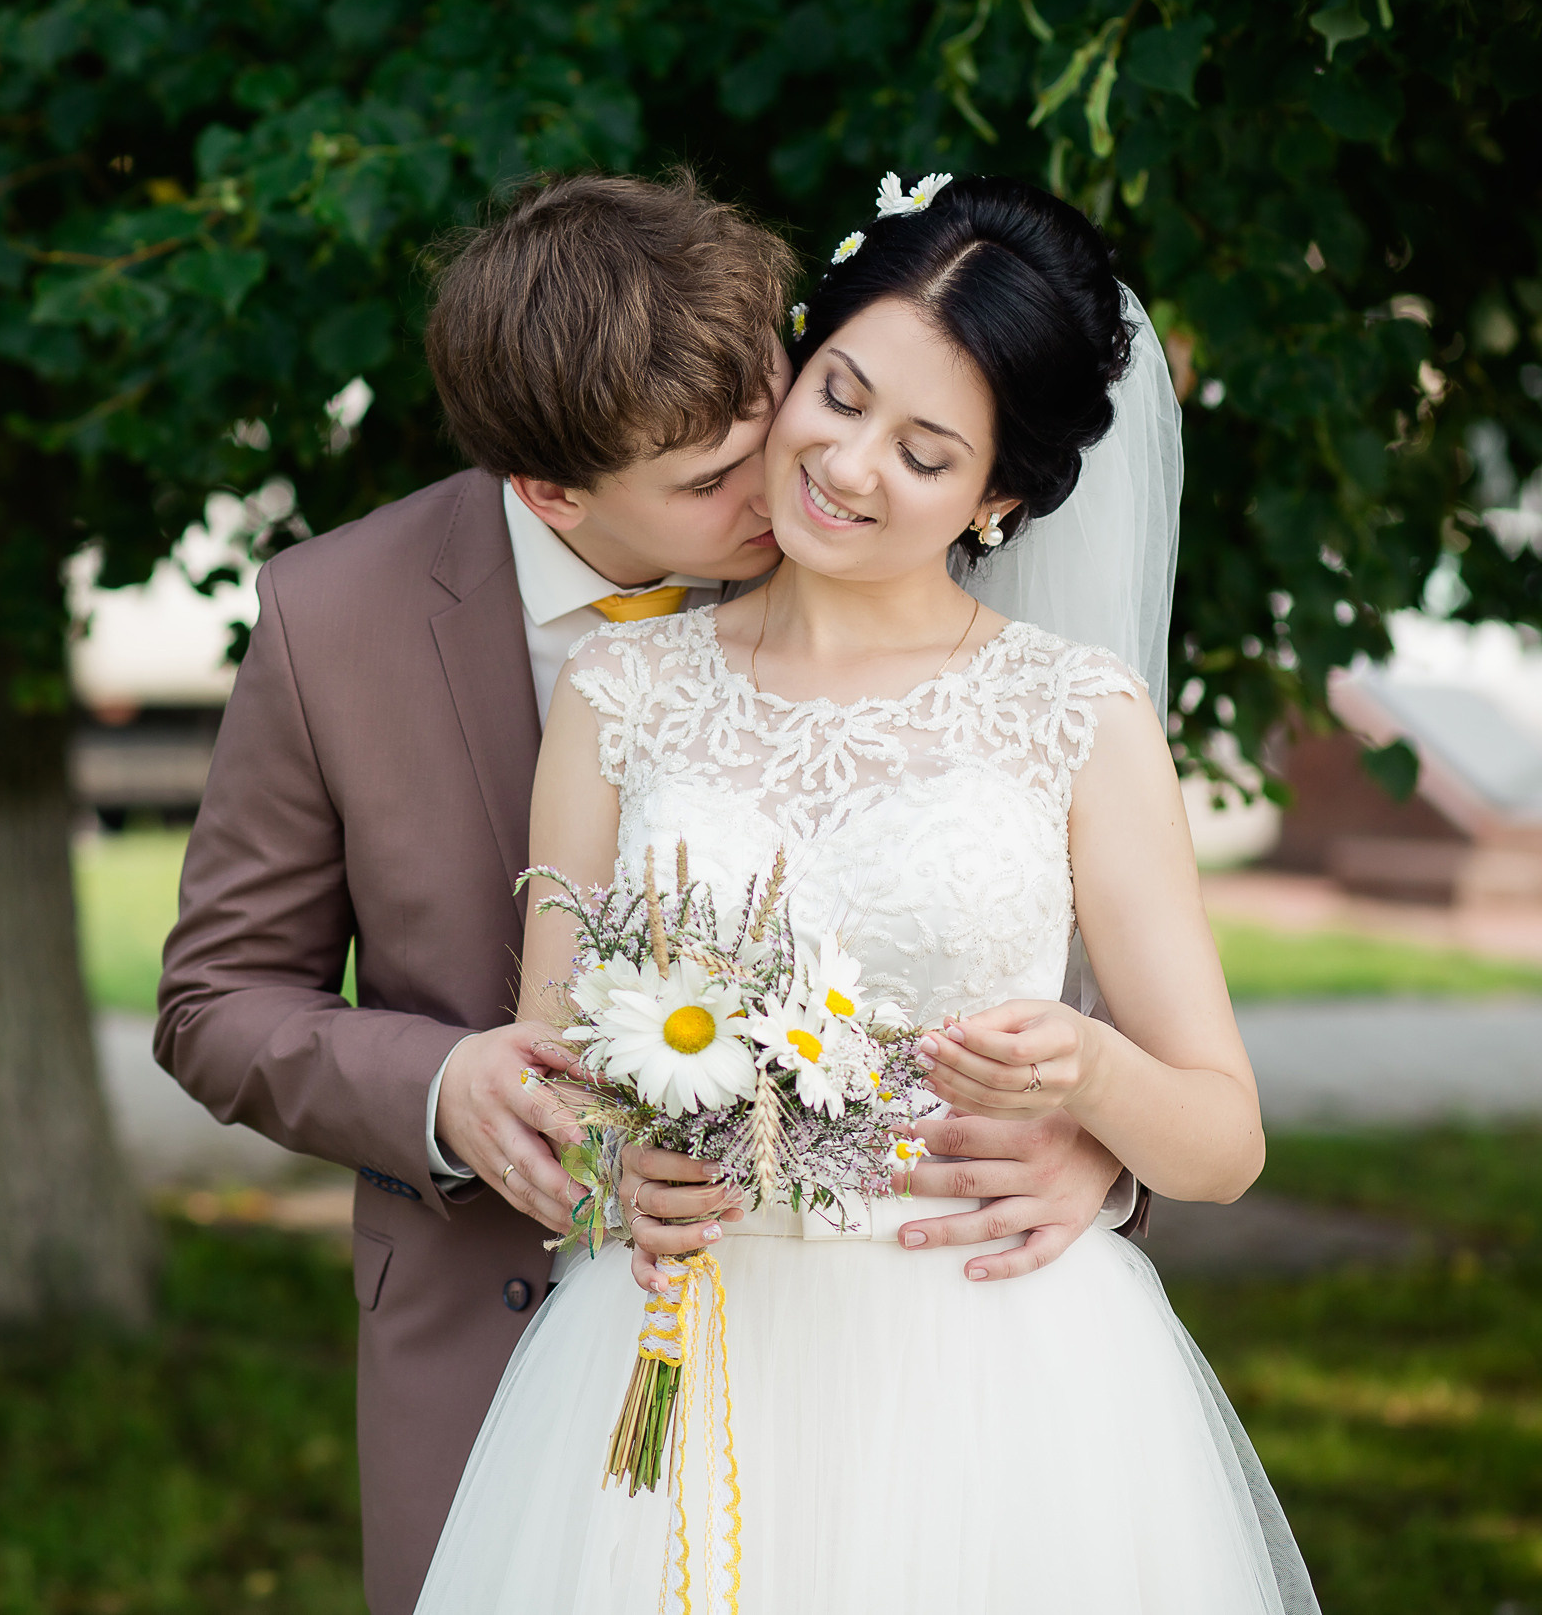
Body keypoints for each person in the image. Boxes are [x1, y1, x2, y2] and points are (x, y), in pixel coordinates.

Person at [156, 171, 1143, 1615]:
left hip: (923, 1377)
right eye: (706, 486)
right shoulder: (336, 618)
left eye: (777, 408)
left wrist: (1097, 1158)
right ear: (554, 491)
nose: (796, 487)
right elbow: (214, 1000)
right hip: (511, 1357)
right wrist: (446, 1089)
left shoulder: (894, 520)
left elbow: (1076, 959)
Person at [411, 174, 1317, 1613]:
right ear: (794, 359)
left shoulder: (1075, 715)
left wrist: (1088, 1073)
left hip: (998, 1380)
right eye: (837, 395)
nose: (848, 465)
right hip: (682, 1346)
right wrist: (615, 1167)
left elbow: (1223, 1139)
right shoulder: (621, 688)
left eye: (926, 450)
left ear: (1000, 496)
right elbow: (558, 1061)